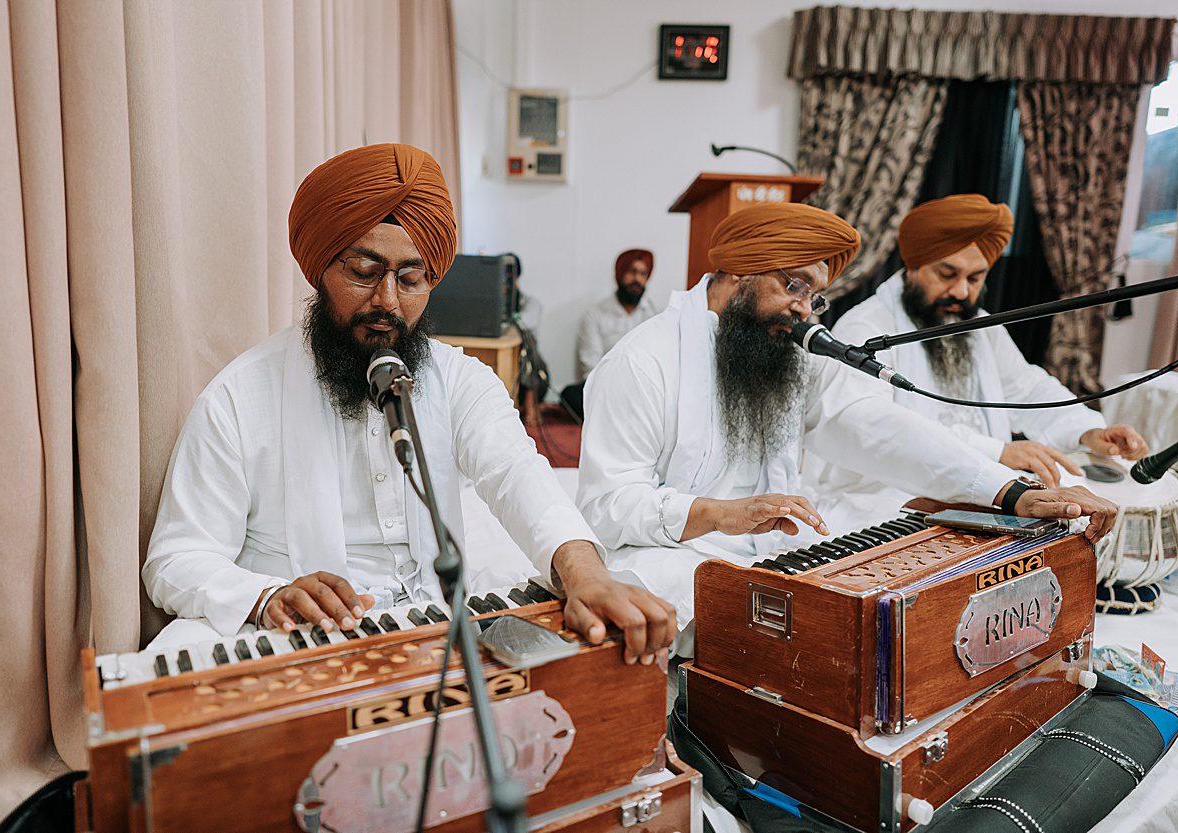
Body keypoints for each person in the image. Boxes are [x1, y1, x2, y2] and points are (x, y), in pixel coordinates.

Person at [143, 144, 677, 664]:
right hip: (297, 640)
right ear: (319, 270)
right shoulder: (239, 399)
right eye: (364, 271)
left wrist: (587, 575)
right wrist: (266, 597)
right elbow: (176, 558)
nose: (388, 302)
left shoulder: (462, 379)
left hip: (433, 623)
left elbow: (519, 477)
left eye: (411, 278)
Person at [574, 202, 1117, 619]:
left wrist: (1012, 491)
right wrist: (718, 512)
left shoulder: (785, 352)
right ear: (738, 270)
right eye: (793, 285)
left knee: (896, 585)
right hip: (676, 557)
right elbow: (607, 504)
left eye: (814, 296)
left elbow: (874, 425)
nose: (803, 309)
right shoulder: (643, 362)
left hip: (775, 552)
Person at [822, 194, 1151, 492]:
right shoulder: (865, 328)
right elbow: (879, 430)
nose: (962, 292)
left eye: (975, 278)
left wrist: (1087, 431)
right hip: (884, 498)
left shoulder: (977, 323)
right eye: (947, 275)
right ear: (912, 266)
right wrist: (998, 452)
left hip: (982, 487)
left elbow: (1026, 388)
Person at [564, 248, 662, 419]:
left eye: (643, 274)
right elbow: (591, 365)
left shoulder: (654, 316)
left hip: (642, 387)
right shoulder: (596, 314)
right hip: (606, 386)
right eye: (632, 272)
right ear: (620, 274)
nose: (637, 279)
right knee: (569, 395)